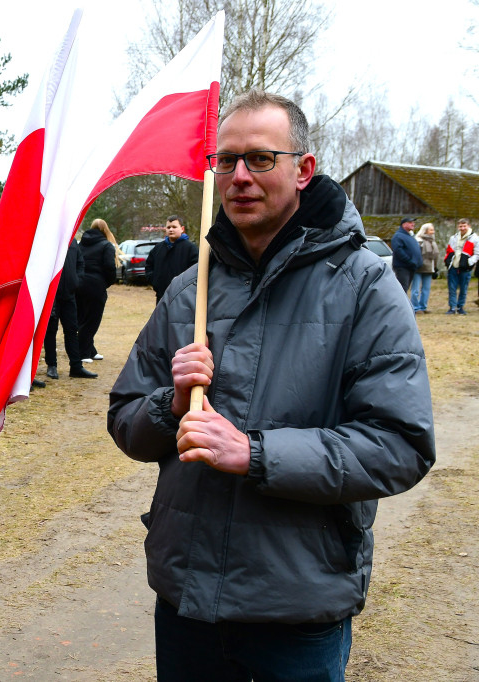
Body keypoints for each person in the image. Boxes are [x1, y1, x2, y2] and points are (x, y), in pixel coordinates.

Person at [107, 91, 435, 681]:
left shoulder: (364, 288)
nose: (238, 177)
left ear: (303, 170)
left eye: (260, 159)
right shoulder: (189, 289)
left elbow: (400, 445)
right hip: (187, 603)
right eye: (225, 161)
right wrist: (170, 405)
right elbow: (126, 420)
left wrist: (255, 454)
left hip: (296, 608)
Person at [44, 228, 97, 379]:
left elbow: (80, 263)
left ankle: (76, 366)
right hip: (52, 296)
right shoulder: (48, 241)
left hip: (69, 295)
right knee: (50, 331)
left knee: (72, 330)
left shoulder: (72, 241)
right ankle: (51, 365)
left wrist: (77, 281)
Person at [77, 218, 118, 362]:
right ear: (105, 229)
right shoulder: (106, 245)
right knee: (92, 320)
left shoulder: (81, 243)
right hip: (96, 285)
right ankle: (83, 353)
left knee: (83, 318)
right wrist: (107, 282)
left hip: (80, 284)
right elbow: (110, 267)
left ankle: (90, 350)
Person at [145, 215, 199, 303]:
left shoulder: (190, 249)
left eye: (174, 227)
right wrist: (155, 281)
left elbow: (196, 270)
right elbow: (149, 266)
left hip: (183, 298)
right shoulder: (158, 248)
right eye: (168, 227)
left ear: (182, 228)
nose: (171, 229)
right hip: (161, 296)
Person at [444, 217, 478, 314]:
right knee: (452, 288)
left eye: (464, 226)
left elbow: (477, 254)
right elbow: (449, 251)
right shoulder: (453, 238)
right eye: (460, 226)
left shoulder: (474, 238)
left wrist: (469, 263)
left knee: (463, 289)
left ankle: (460, 307)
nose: (462, 228)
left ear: (468, 226)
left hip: (465, 268)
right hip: (453, 267)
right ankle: (452, 307)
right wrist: (447, 261)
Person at [410, 222, 439, 313]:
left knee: (426, 288)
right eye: (431, 230)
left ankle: (423, 306)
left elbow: (435, 256)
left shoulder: (432, 241)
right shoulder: (418, 240)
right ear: (425, 231)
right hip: (419, 268)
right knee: (416, 289)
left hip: (429, 268)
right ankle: (415, 307)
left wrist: (435, 267)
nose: (432, 232)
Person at [391, 216, 422, 293]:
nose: (413, 224)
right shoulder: (398, 236)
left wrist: (418, 262)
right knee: (402, 288)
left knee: (405, 288)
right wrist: (409, 261)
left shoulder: (410, 236)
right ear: (404, 224)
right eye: (410, 222)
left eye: (413, 222)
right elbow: (398, 251)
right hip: (402, 267)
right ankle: (399, 304)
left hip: (411, 267)